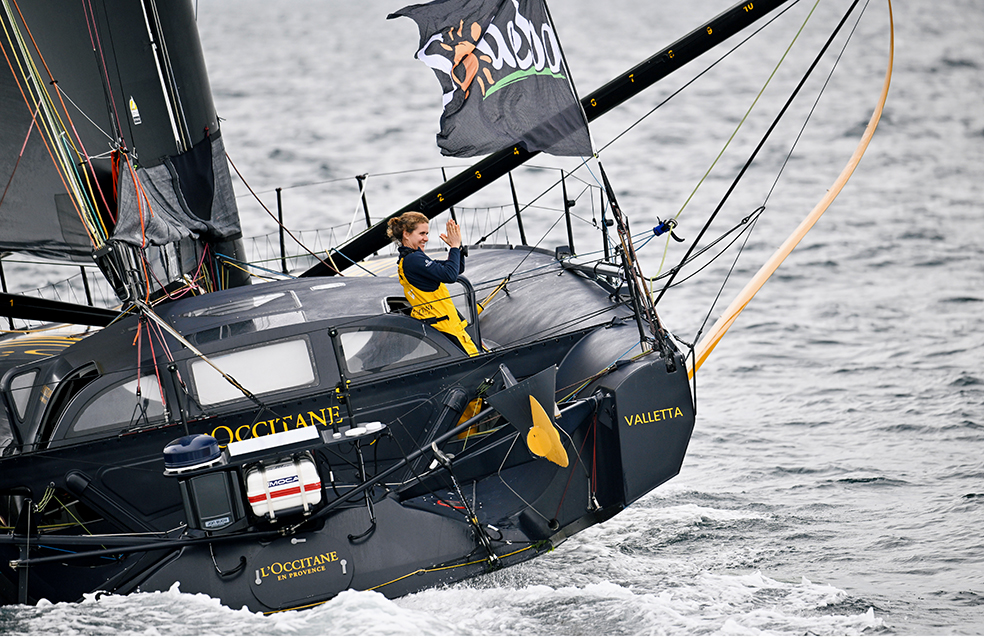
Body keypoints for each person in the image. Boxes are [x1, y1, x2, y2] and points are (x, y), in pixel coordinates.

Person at [387, 211, 479, 356]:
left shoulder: (411, 258)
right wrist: (454, 248)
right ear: (406, 234)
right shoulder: (413, 260)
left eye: (427, 233)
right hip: (444, 328)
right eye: (422, 233)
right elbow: (450, 275)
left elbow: (455, 269)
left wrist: (458, 249)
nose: (426, 238)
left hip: (444, 326)